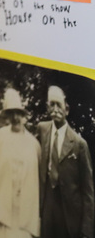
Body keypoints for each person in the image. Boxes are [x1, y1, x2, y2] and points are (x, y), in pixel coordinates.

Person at [37, 85, 94, 238]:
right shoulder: (42, 130)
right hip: (47, 207)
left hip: (69, 214)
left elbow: (88, 191)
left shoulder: (79, 144)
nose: (55, 109)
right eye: (52, 104)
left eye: (59, 105)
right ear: (47, 107)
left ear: (66, 109)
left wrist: (87, 231)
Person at [0, 87, 40, 238]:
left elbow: (39, 177)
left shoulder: (33, 143)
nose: (15, 117)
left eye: (18, 113)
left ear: (23, 115)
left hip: (24, 207)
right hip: (5, 203)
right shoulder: (2, 136)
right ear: (7, 116)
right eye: (11, 113)